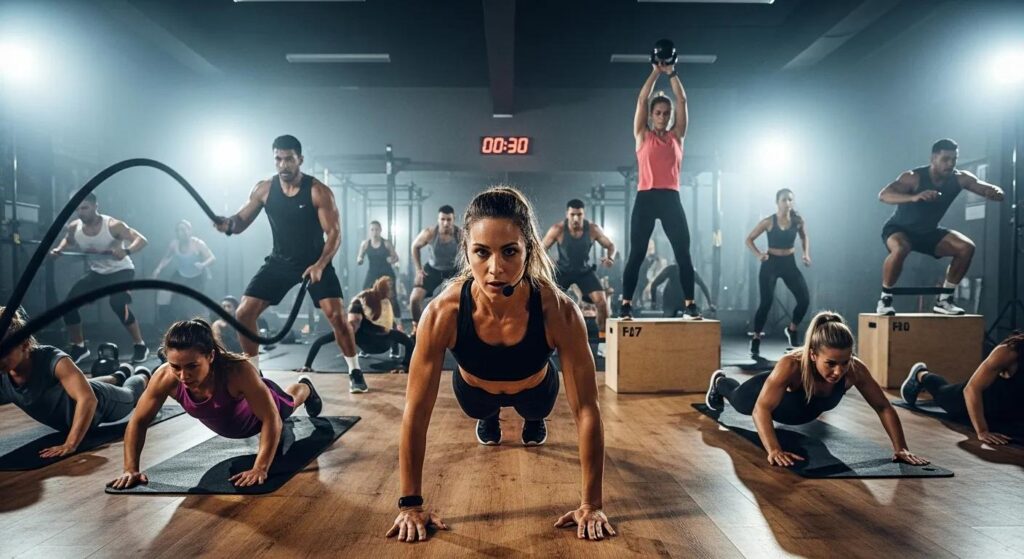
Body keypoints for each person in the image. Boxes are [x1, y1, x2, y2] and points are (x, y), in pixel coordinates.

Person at [388, 187, 614, 543]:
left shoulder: (559, 310)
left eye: (510, 251)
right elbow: (415, 411)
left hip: (536, 391)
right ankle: (489, 417)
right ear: (466, 251)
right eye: (482, 252)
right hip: (474, 395)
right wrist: (410, 504)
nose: (495, 269)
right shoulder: (442, 313)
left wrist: (592, 504)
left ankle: (532, 419)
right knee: (483, 409)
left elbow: (587, 409)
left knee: (535, 408)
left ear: (529, 250)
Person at [212, 135, 367, 394]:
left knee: (337, 317)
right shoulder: (264, 189)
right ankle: (254, 373)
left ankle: (355, 370)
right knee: (243, 314)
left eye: (289, 159)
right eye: (278, 159)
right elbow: (239, 223)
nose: (283, 165)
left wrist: (319, 264)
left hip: (316, 262)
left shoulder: (318, 191)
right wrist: (226, 224)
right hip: (280, 261)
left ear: (300, 160)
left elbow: (335, 234)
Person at [106, 319, 323, 490]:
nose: (183, 375)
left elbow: (270, 418)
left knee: (289, 403)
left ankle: (306, 386)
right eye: (176, 366)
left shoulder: (238, 371)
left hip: (259, 413)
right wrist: (130, 469)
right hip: (233, 424)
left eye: (192, 366)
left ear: (210, 356)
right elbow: (139, 421)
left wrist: (259, 468)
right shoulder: (164, 377)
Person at [704, 311, 929, 467]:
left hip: (797, 414)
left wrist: (901, 448)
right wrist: (774, 450)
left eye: (845, 361)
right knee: (738, 401)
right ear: (813, 355)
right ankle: (720, 382)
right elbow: (761, 410)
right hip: (758, 393)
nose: (839, 371)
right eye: (830, 363)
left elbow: (883, 407)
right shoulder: (790, 365)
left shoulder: (855, 370)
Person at [0, 306, 151, 458]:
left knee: (130, 395)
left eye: (4, 352)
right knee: (84, 383)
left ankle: (143, 374)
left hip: (101, 404)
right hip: (81, 391)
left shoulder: (50, 358)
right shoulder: (3, 372)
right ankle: (119, 375)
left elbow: (88, 399)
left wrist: (70, 444)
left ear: (25, 344)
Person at [877, 138, 1004, 315]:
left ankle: (944, 300)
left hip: (928, 233)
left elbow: (985, 188)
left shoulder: (960, 178)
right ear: (933, 159)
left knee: (966, 248)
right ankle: (885, 299)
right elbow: (884, 195)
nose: (950, 164)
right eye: (945, 159)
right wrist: (914, 197)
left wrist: (996, 192)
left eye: (954, 159)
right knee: (901, 248)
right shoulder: (913, 177)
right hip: (899, 229)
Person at [620, 58, 700, 320]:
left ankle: (690, 305)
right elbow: (642, 100)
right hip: (646, 197)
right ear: (652, 115)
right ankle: (626, 305)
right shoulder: (642, 136)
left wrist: (673, 73)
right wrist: (656, 72)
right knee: (637, 254)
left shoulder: (678, 136)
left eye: (667, 113)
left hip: (670, 198)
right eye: (659, 113)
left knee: (683, 253)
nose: (663, 116)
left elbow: (683, 101)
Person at [50, 192, 151, 364]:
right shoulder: (74, 227)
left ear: (96, 206)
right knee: (68, 306)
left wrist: (126, 251)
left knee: (118, 304)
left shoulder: (113, 225)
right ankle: (80, 347)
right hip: (97, 273)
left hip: (122, 271)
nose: (81, 212)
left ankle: (140, 345)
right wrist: (58, 249)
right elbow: (68, 240)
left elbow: (141, 240)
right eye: (78, 209)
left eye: (85, 208)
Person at [900, 332, 1024, 446]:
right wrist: (982, 431)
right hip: (974, 401)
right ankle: (921, 375)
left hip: (1006, 411)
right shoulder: (1009, 351)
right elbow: (972, 389)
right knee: (942, 392)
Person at [745, 188, 811, 356]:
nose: (787, 203)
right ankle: (756, 337)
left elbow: (804, 237)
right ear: (777, 202)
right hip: (771, 264)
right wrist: (759, 254)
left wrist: (805, 254)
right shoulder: (768, 221)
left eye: (790, 200)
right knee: (766, 303)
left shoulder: (798, 221)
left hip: (789, 263)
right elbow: (749, 239)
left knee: (804, 300)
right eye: (784, 200)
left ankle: (792, 329)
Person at [299, 277, 415, 373]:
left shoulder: (381, 327)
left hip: (383, 342)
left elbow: (409, 342)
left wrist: (405, 366)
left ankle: (394, 349)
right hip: (368, 340)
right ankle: (376, 347)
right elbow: (319, 342)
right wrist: (307, 365)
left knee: (393, 330)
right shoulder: (351, 329)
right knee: (351, 332)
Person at [542, 199, 616, 333]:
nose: (576, 218)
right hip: (563, 271)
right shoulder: (557, 229)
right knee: (546, 301)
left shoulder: (593, 229)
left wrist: (610, 257)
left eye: (579, 215)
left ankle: (603, 336)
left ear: (583, 214)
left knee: (602, 302)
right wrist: (548, 263)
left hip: (584, 272)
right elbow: (541, 249)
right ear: (567, 214)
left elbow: (610, 245)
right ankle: (547, 336)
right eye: (572, 215)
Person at [409, 205, 461, 334]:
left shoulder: (460, 234)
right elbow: (414, 246)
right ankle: (417, 328)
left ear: (453, 219)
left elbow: (470, 252)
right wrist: (418, 270)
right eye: (442, 219)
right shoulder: (430, 233)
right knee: (414, 299)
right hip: (433, 269)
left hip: (453, 271)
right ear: (438, 219)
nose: (446, 223)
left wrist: (466, 271)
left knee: (464, 299)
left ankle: (458, 330)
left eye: (449, 219)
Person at [152, 219, 216, 321]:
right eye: (178, 230)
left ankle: (204, 322)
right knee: (164, 294)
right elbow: (167, 257)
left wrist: (203, 265)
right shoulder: (174, 244)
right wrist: (158, 268)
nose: (180, 232)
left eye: (183, 229)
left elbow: (212, 258)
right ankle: (164, 323)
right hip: (181, 274)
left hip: (197, 276)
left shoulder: (197, 243)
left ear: (190, 231)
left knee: (194, 303)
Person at [356, 220, 402, 359]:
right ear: (369, 231)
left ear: (380, 230)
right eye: (372, 230)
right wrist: (359, 260)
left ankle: (395, 346)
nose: (375, 232)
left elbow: (396, 257)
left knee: (391, 305)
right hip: (372, 275)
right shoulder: (365, 244)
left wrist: (391, 260)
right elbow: (359, 257)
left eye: (377, 229)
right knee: (364, 304)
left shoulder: (386, 243)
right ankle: (365, 346)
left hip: (386, 275)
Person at [648, 263, 715, 318]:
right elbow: (654, 284)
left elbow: (654, 285)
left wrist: (653, 302)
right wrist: (653, 301)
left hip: (680, 301)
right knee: (668, 322)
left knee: (689, 319)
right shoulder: (672, 269)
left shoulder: (674, 270)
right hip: (671, 301)